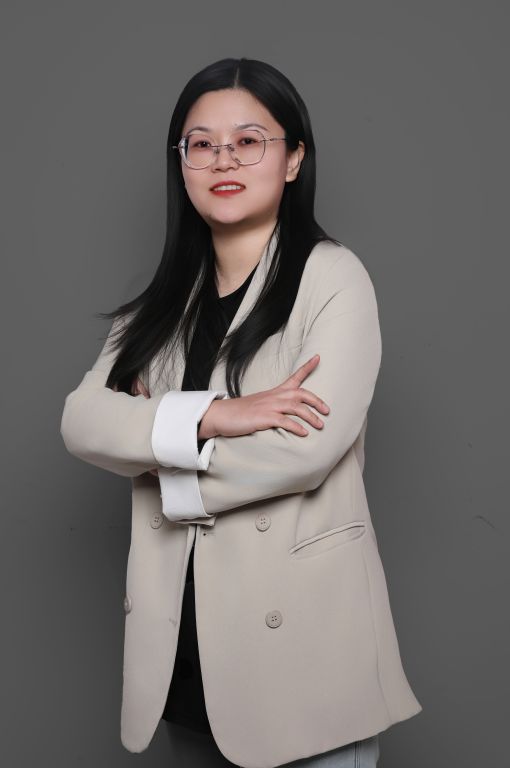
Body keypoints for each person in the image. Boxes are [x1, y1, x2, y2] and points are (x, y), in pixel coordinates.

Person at [60, 57, 422, 767]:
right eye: (201, 143)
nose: (223, 159)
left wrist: (156, 455)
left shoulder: (332, 277)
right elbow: (81, 421)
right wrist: (212, 417)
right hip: (183, 658)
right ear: (181, 163)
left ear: (294, 159)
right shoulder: (160, 306)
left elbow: (304, 449)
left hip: (302, 656)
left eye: (249, 141)